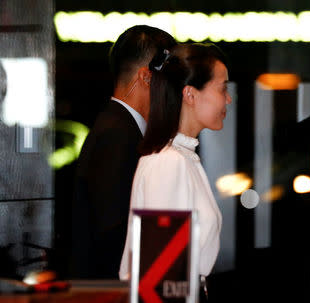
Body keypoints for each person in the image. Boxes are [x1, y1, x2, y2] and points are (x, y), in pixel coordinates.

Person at [119, 43, 231, 288]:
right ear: (190, 94)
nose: (228, 99)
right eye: (223, 88)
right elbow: (161, 274)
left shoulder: (180, 157)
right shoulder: (168, 163)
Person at [71, 25, 176, 279]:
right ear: (146, 76)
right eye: (171, 80)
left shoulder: (119, 127)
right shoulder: (117, 133)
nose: (175, 92)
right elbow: (112, 232)